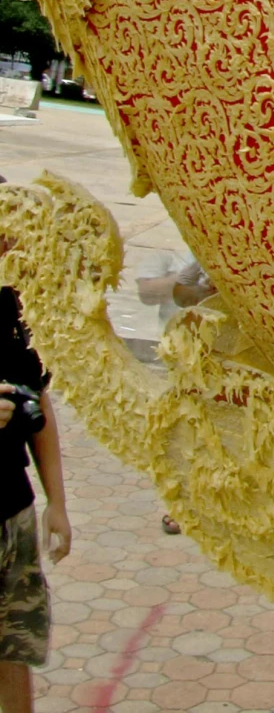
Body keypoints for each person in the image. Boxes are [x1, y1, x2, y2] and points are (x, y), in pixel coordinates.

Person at [0, 286, 67, 713]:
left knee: (14, 644)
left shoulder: (8, 309)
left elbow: (37, 404)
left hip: (12, 514)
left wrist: (55, 502)